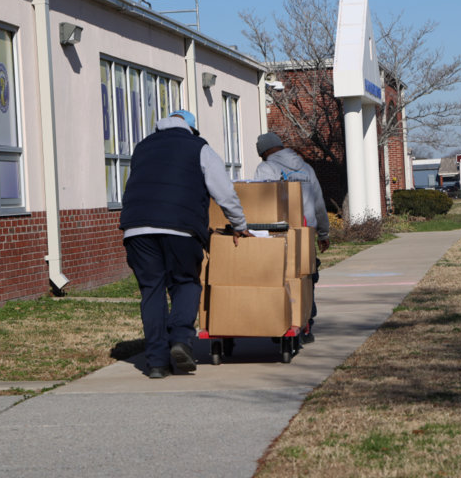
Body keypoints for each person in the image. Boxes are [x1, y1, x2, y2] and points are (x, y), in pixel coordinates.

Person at [120, 109, 252, 379]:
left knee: (152, 291)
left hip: (136, 227)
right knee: (185, 282)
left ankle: (156, 362)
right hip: (181, 228)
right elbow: (224, 191)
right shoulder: (199, 147)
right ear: (192, 128)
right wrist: (239, 225)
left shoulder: (142, 147)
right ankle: (180, 340)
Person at [253, 132, 330, 342]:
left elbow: (261, 201)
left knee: (277, 278)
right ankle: (306, 325)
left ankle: (280, 323)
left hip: (277, 234)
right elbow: (319, 204)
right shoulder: (306, 168)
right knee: (306, 278)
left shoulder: (266, 168)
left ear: (264, 151)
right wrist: (323, 233)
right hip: (306, 233)